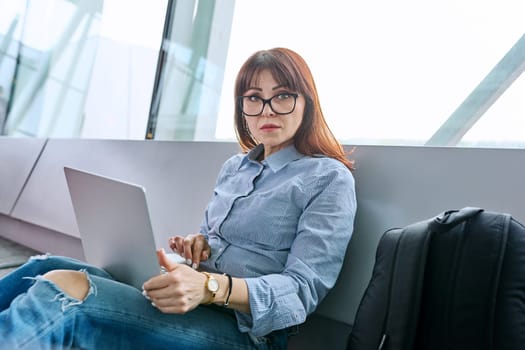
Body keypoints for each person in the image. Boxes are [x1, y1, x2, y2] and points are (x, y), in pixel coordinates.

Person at [0, 47, 356, 349]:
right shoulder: (236, 167)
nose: (266, 110)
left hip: (244, 331)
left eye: (281, 96)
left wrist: (211, 286)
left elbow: (301, 290)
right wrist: (200, 247)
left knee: (65, 294)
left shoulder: (327, 178)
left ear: (306, 102)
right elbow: (214, 242)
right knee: (44, 268)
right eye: (253, 98)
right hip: (195, 301)